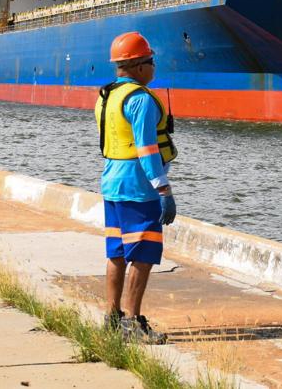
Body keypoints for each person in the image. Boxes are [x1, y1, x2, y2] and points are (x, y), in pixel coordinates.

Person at [95, 31, 177, 344]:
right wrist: (164, 189)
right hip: (138, 187)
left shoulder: (108, 95)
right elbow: (146, 148)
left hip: (111, 181)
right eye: (151, 62)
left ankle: (112, 317)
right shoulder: (141, 100)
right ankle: (132, 322)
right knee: (142, 254)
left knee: (116, 252)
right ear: (139, 66)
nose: (154, 67)